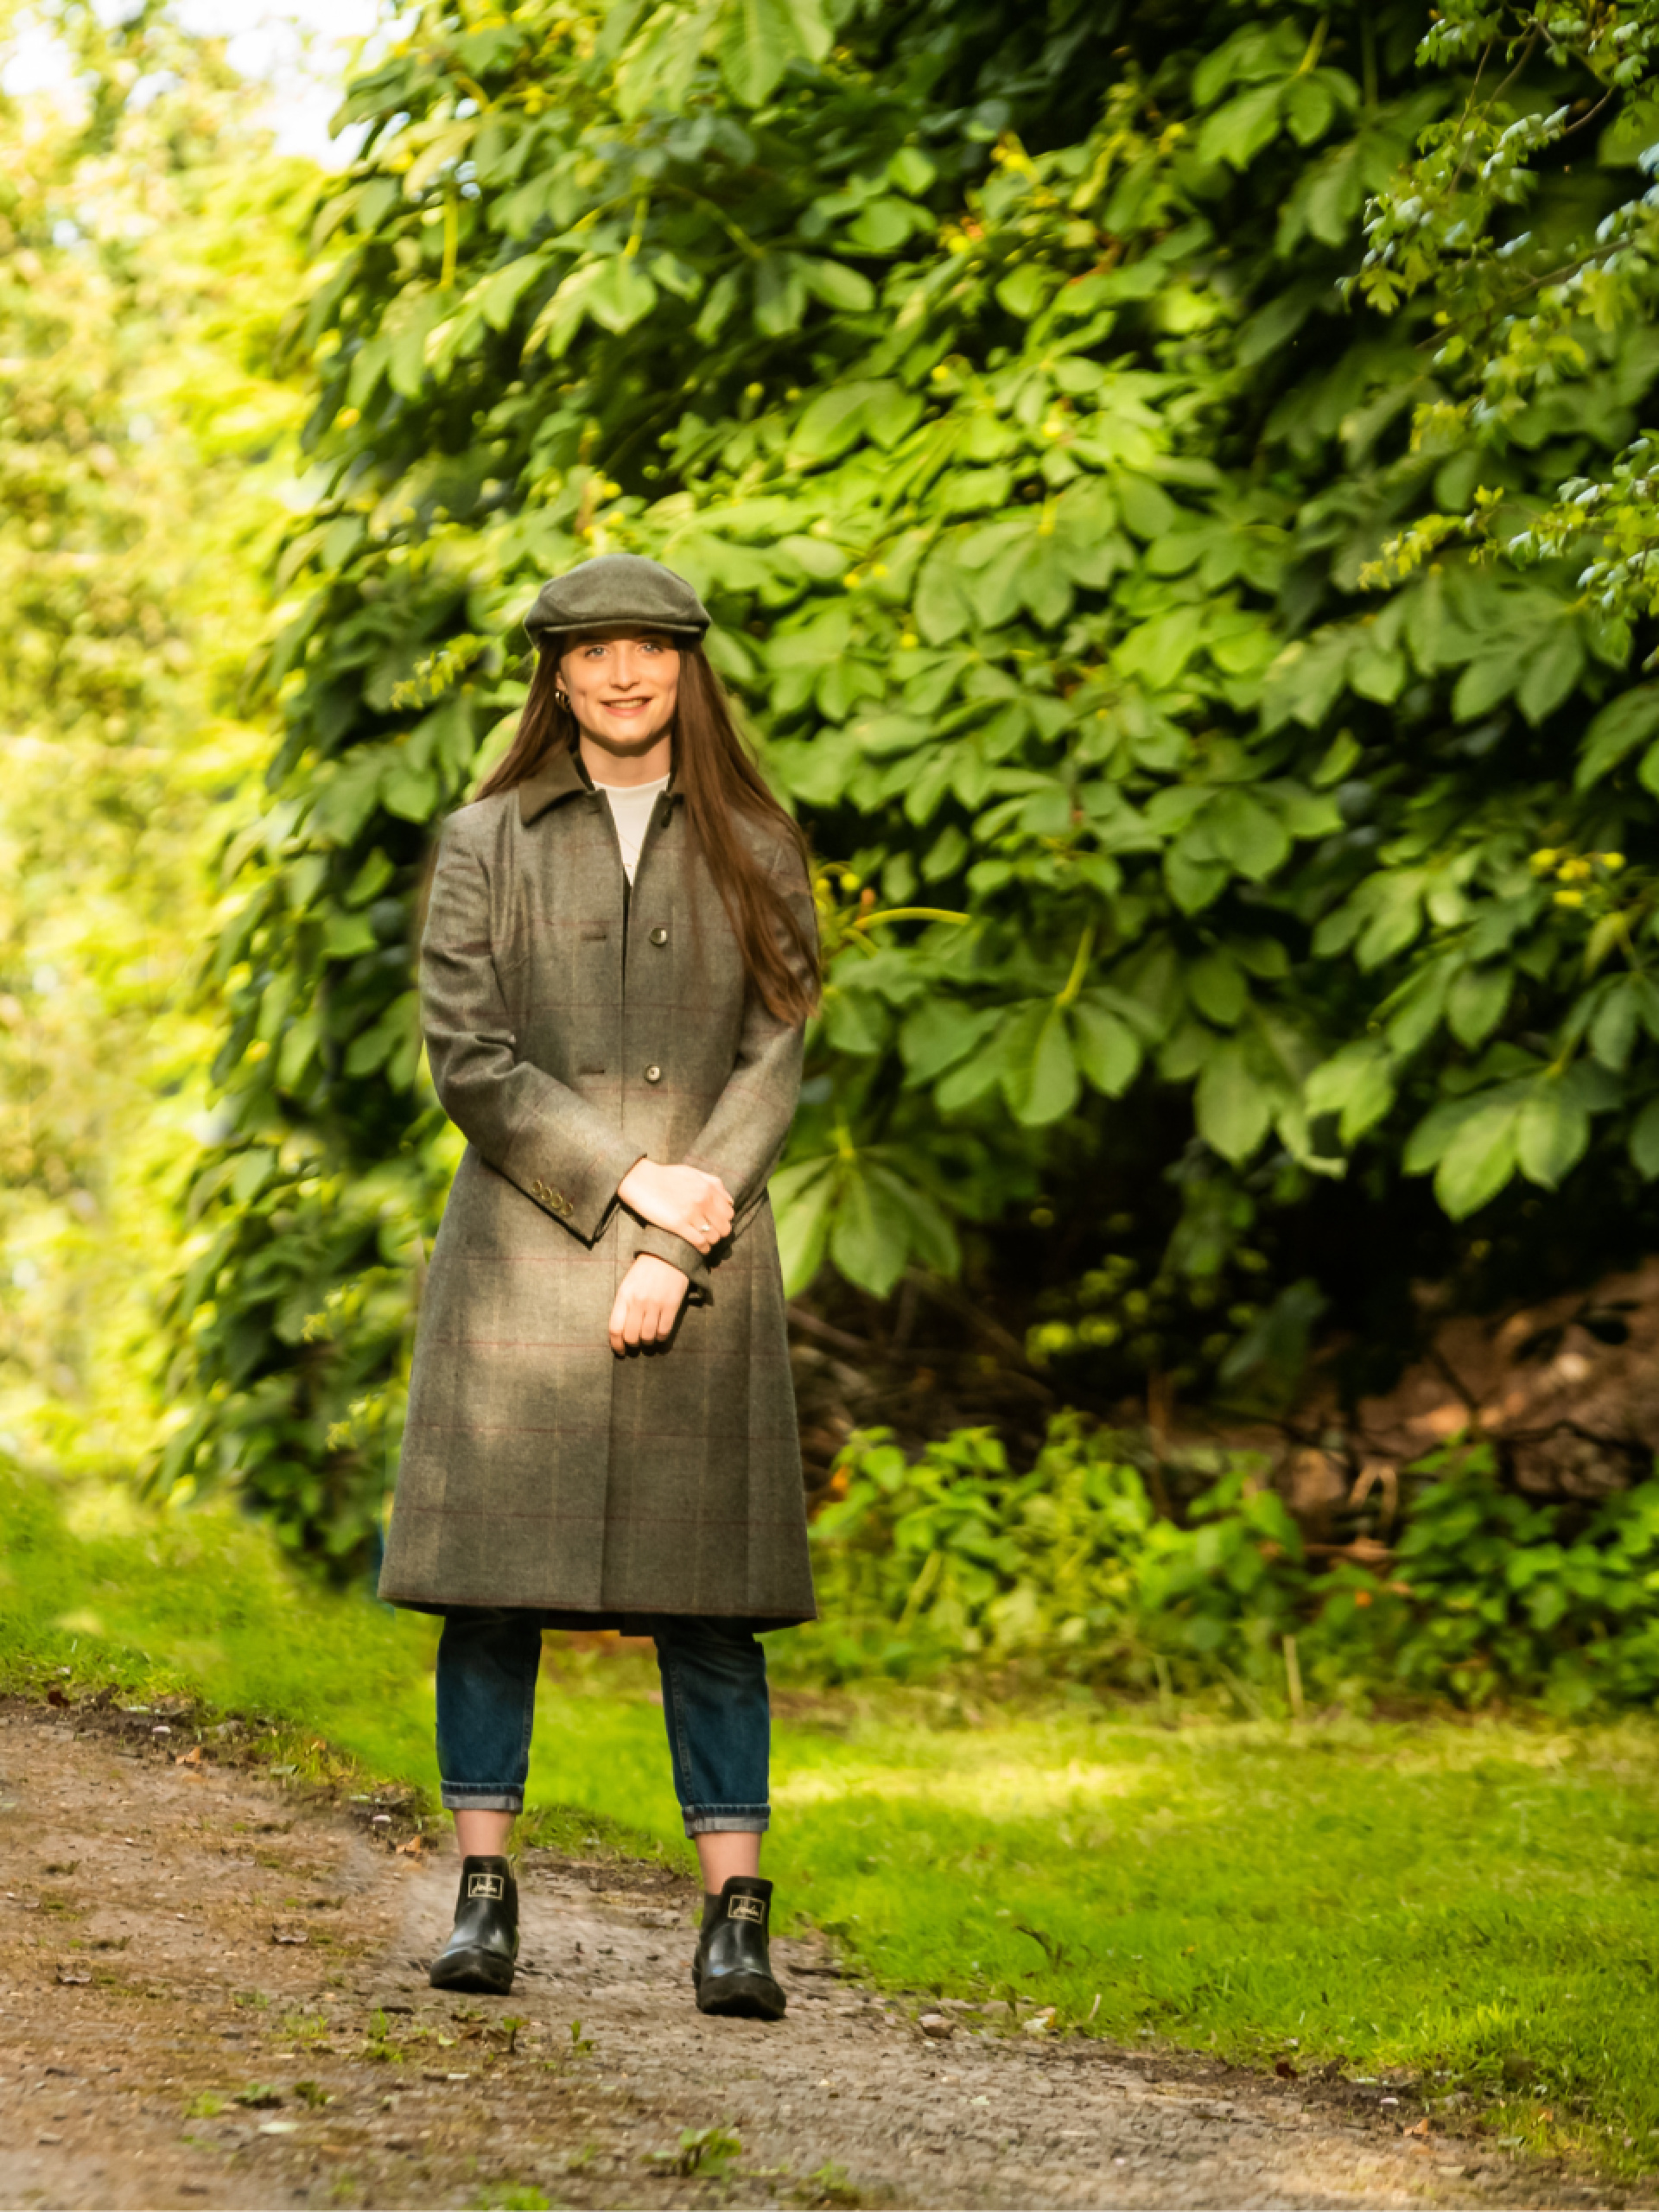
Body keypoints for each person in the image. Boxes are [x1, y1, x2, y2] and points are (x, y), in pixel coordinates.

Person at [377, 553, 820, 2021]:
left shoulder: (759, 841)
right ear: (556, 674)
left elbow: (774, 1062)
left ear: (687, 667)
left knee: (713, 1608)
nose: (623, 674)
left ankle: (737, 1924)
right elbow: (470, 1059)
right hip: (523, 1257)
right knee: (491, 1596)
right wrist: (632, 1183)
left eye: (650, 648)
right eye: (594, 651)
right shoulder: (484, 840)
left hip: (709, 1258)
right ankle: (482, 1898)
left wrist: (679, 1245)